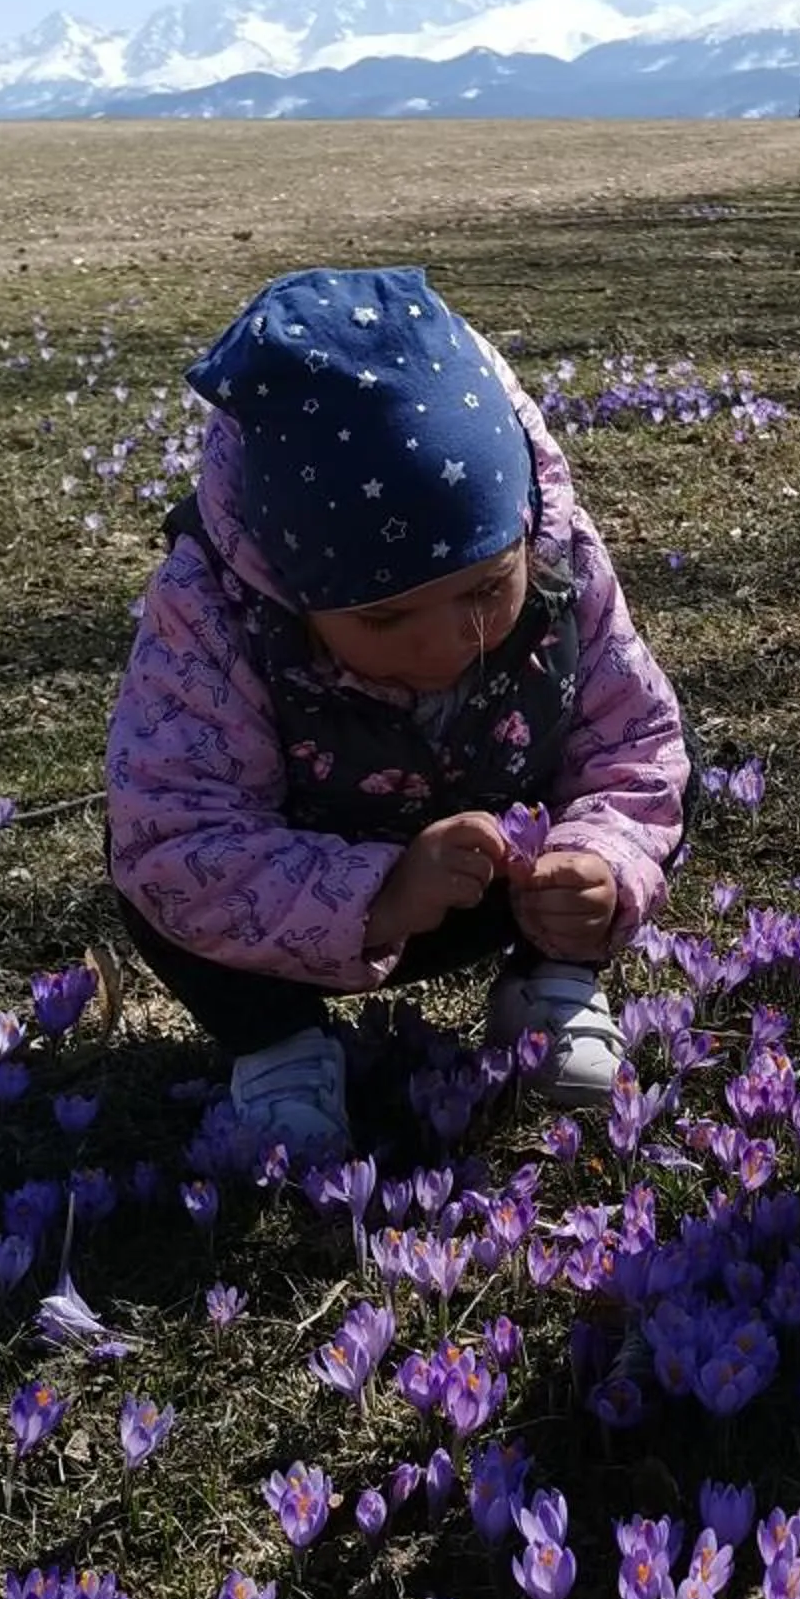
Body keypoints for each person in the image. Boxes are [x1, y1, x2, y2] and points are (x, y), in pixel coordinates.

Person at [106, 266, 690, 1155]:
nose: (447, 644)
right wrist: (379, 894)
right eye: (384, 615)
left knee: (677, 779)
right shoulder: (216, 614)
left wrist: (595, 862)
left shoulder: (559, 555)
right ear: (289, 586)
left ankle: (550, 980)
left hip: (505, 877)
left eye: (488, 588)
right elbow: (177, 837)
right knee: (152, 883)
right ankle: (281, 1040)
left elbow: (635, 741)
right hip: (306, 889)